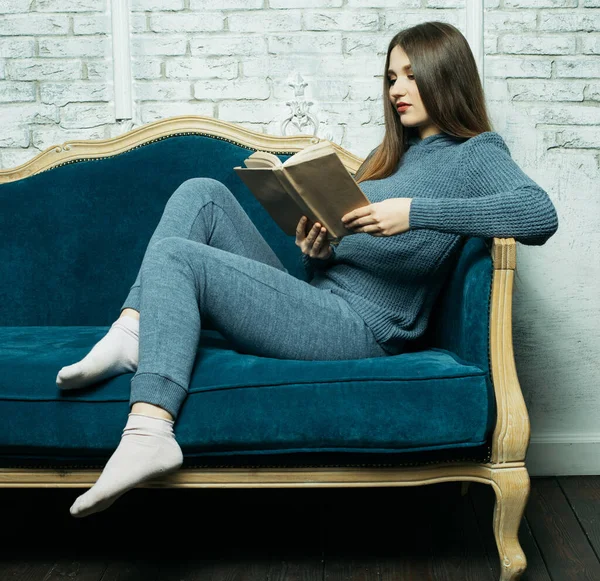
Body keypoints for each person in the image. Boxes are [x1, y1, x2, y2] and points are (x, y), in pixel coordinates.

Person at [56, 21, 559, 518]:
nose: (397, 89)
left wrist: (414, 213)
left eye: (410, 75)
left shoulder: (477, 154)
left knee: (174, 256)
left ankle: (149, 431)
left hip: (362, 329)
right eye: (390, 78)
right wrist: (316, 251)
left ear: (445, 75)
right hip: (320, 301)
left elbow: (539, 213)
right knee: (201, 194)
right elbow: (346, 260)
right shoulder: (387, 159)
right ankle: (131, 330)